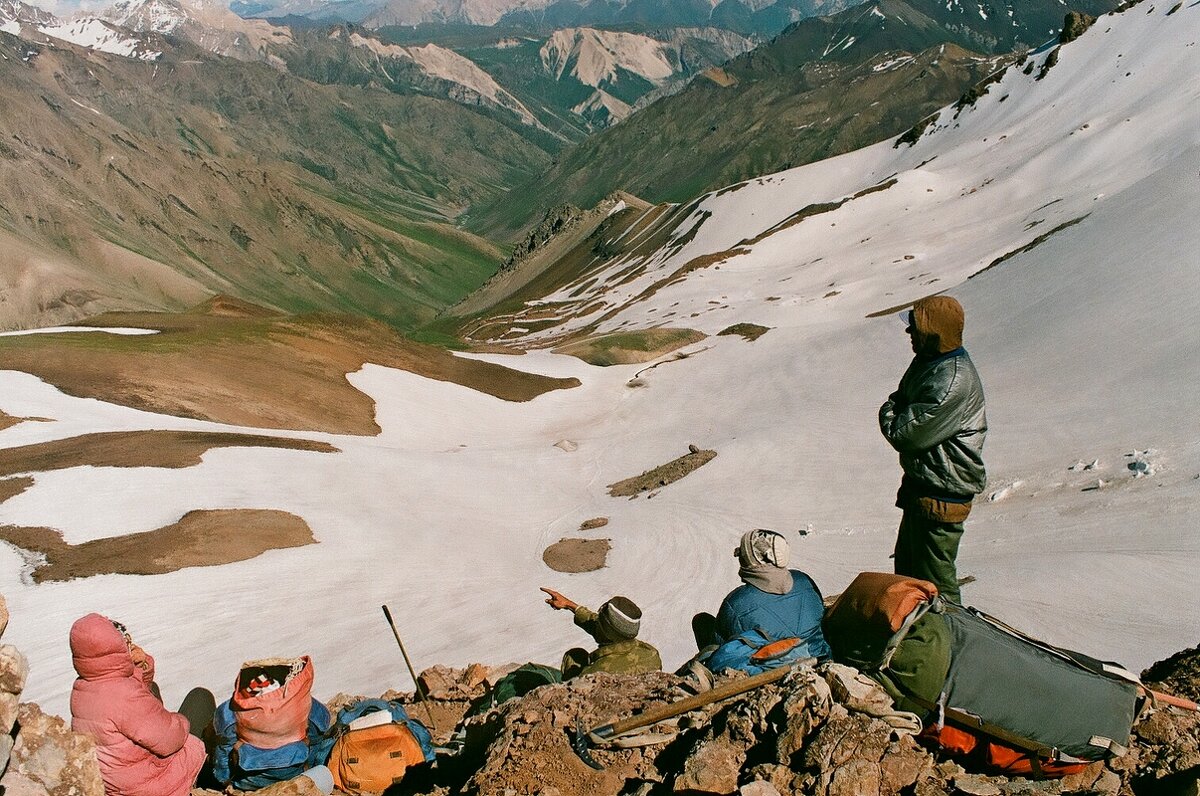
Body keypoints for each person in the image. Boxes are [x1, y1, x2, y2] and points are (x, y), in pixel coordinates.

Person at [879, 295, 987, 603]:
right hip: (924, 488)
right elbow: (903, 401)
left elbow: (902, 432)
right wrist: (898, 406)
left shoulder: (951, 380)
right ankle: (920, 642)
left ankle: (950, 640)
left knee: (936, 587)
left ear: (932, 332)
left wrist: (890, 409)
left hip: (943, 494)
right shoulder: (930, 362)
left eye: (914, 327)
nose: (908, 333)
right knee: (910, 578)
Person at [69, 613, 206, 796]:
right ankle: (205, 782)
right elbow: (170, 739)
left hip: (122, 780)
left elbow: (133, 706)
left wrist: (139, 667)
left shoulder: (84, 687)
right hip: (151, 784)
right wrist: (179, 720)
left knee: (154, 691)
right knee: (201, 699)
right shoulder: (123, 695)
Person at [696, 529, 830, 661]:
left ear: (750, 561)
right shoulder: (804, 581)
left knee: (701, 621)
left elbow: (721, 649)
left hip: (769, 670)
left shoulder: (736, 603)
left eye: (742, 554)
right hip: (820, 658)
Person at [540, 589, 662, 679]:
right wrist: (570, 605)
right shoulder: (651, 654)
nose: (596, 620)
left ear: (606, 633)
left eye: (600, 621)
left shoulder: (595, 675)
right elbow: (598, 625)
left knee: (574, 657)